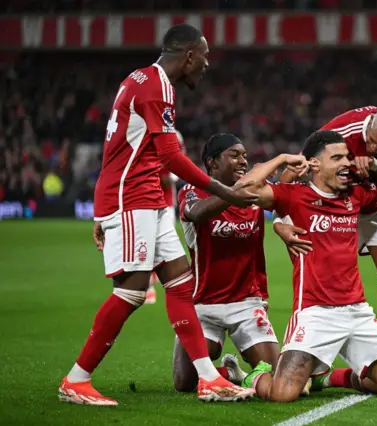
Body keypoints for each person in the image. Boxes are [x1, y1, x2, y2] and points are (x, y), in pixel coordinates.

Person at [58, 24, 257, 406]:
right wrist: (225, 192)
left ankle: (209, 378)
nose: (207, 64)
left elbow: (119, 145)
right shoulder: (158, 86)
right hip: (131, 197)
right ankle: (77, 379)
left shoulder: (140, 78)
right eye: (204, 56)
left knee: (180, 283)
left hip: (146, 196)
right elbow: (170, 156)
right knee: (132, 291)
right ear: (188, 56)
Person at [233, 130, 377, 402]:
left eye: (348, 157)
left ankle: (329, 377)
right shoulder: (294, 196)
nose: (346, 163)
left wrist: (375, 165)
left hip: (357, 312)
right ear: (314, 164)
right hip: (315, 312)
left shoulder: (355, 194)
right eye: (337, 157)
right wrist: (283, 158)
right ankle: (253, 376)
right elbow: (241, 189)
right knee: (282, 395)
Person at [274, 105, 377, 365]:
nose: (371, 148)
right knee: (317, 288)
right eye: (370, 141)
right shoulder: (340, 130)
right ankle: (309, 363)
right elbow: (290, 176)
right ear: (369, 126)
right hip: (336, 208)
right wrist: (280, 222)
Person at [171, 133, 306, 392]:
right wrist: (238, 190)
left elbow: (284, 196)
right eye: (234, 155)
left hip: (247, 302)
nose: (243, 161)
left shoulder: (255, 190)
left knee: (275, 376)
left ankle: (238, 374)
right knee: (184, 382)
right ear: (212, 163)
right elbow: (196, 213)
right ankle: (225, 373)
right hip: (203, 304)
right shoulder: (192, 191)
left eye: (244, 155)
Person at [146, 131, 184, 305]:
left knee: (163, 243)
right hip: (143, 200)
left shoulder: (174, 136)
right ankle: (149, 285)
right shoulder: (143, 133)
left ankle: (162, 282)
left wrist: (165, 175)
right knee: (147, 242)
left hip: (166, 201)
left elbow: (176, 167)